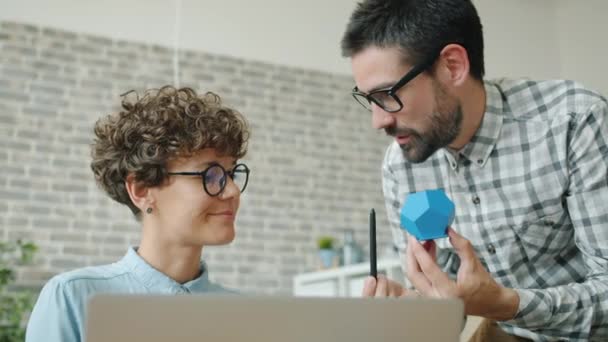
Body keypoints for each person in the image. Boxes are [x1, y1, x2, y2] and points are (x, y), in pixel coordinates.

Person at [341, 0, 608, 340]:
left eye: (388, 94)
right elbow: (446, 303)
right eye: (368, 99)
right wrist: (415, 303)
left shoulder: (572, 121)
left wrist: (506, 303)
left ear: (452, 66)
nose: (378, 121)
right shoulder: (400, 168)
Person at [25, 86, 251, 342]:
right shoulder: (74, 297)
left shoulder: (245, 312)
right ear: (142, 190)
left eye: (231, 174)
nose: (232, 190)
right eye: (210, 175)